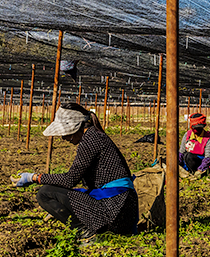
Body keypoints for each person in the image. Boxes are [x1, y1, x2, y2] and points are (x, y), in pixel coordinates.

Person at [12, 103, 137, 240]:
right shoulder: (94, 136)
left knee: (45, 193)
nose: (64, 138)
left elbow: (69, 180)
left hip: (114, 211)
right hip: (121, 209)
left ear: (75, 127)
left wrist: (34, 178)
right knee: (56, 192)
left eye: (65, 134)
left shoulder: (91, 140)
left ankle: (87, 234)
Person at [179, 113, 210, 177]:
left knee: (189, 156)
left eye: (199, 128)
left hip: (200, 162)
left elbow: (208, 158)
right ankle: (186, 171)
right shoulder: (187, 135)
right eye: (195, 128)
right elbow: (181, 153)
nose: (197, 130)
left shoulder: (208, 138)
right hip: (186, 162)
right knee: (186, 156)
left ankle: (195, 172)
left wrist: (200, 170)